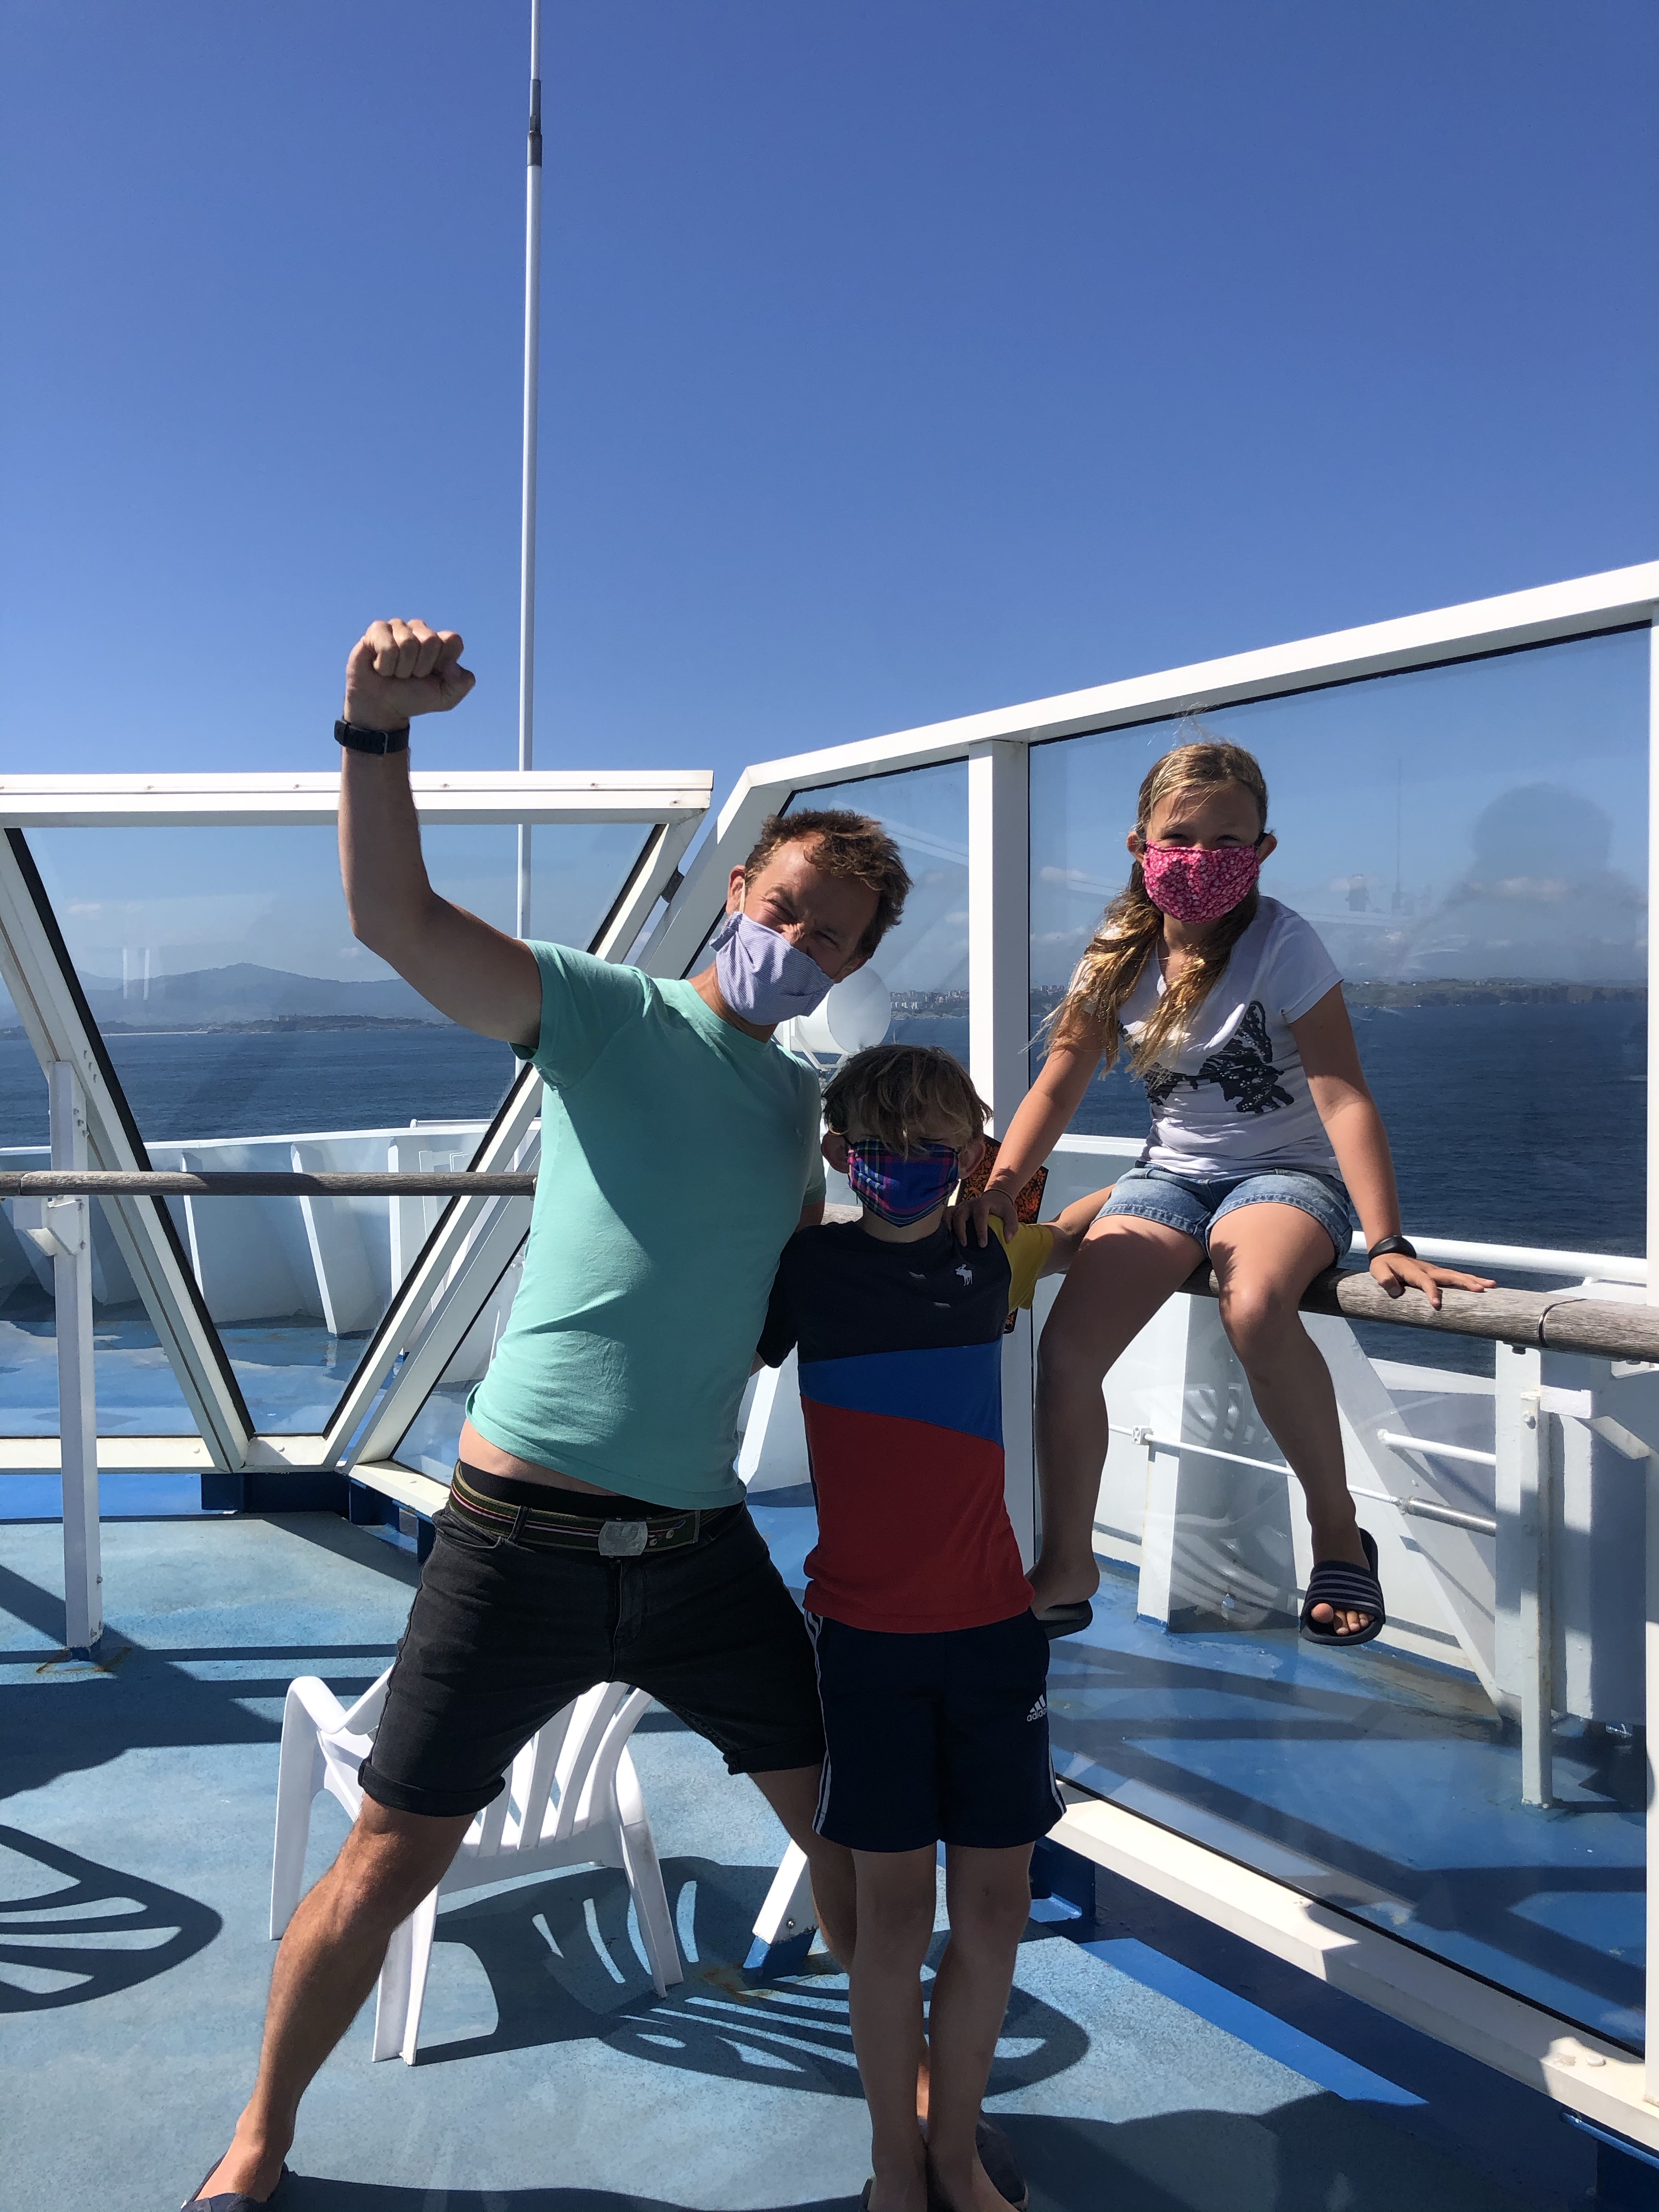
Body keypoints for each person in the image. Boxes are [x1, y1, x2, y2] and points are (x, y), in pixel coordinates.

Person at [184, 618, 912, 2210]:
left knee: (847, 1838)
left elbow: (788, 1274)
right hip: (517, 1540)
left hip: (700, 1548)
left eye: (834, 940)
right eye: (788, 908)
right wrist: (374, 729)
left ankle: (907, 2139)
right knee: (392, 1857)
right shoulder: (606, 1016)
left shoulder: (796, 1106)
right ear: (740, 890)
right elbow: (393, 918)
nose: (801, 944)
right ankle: (257, 2145)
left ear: (851, 969)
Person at [956, 735, 1492, 1647]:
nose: (1202, 858)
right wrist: (1001, 1189)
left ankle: (1337, 1531)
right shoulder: (1118, 951)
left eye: (1228, 841)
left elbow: (1342, 1096)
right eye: (1181, 837)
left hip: (1284, 1177)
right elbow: (1058, 1083)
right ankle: (1069, 1562)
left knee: (1255, 1308)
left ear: (1263, 851)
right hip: (1169, 1178)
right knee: (1068, 1354)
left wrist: (1387, 1239)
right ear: (1141, 846)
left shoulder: (1284, 944)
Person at [755, 1043, 1114, 2212]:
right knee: (892, 1918)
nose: (904, 1163)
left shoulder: (991, 1257)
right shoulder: (805, 1269)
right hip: (865, 1644)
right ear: (837, 1154)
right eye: (880, 1145)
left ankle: (954, 2155)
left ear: (969, 1156)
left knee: (996, 1907)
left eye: (933, 1146)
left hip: (995, 1635)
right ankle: (894, 2165)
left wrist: (1156, 1194)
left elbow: (1090, 1223)